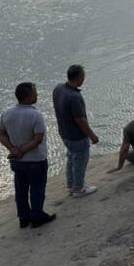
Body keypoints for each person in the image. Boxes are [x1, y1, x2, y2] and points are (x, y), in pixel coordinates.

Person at [0, 82, 55, 228]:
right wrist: (22, 151)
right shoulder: (36, 115)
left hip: (17, 161)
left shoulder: (7, 113)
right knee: (37, 188)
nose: (37, 95)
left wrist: (12, 149)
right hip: (36, 160)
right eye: (35, 93)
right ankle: (37, 216)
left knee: (21, 190)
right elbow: (38, 139)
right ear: (27, 97)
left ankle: (23, 217)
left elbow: (1, 133)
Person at [52, 64, 99, 197]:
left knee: (71, 158)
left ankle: (71, 184)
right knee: (80, 160)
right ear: (79, 77)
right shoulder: (74, 97)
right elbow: (80, 120)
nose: (84, 78)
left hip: (64, 132)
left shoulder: (58, 88)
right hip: (76, 135)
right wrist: (92, 135)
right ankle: (79, 188)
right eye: (83, 76)